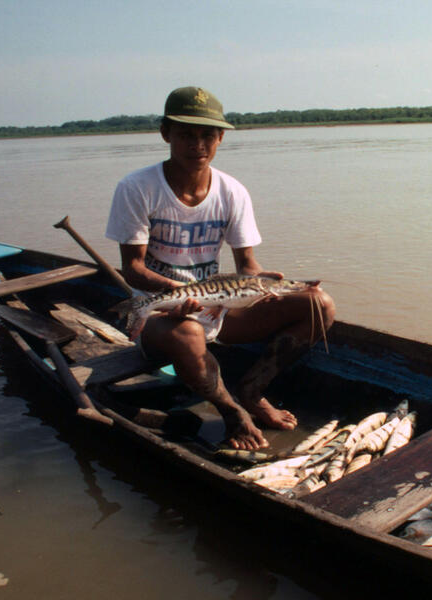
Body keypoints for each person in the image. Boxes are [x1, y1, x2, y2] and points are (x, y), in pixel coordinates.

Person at [105, 86, 335, 450]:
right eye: (186, 135)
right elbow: (132, 268)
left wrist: (263, 281)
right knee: (188, 335)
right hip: (164, 316)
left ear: (220, 138)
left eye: (207, 135)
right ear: (166, 133)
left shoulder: (232, 191)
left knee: (317, 302)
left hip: (219, 308)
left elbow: (247, 265)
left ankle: (251, 390)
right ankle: (232, 412)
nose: (198, 144)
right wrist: (170, 294)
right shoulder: (137, 187)